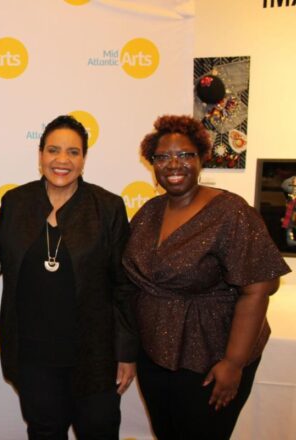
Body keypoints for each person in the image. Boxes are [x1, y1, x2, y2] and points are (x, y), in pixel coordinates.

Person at [123, 115, 291, 439]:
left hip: (211, 358)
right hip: (156, 356)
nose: (174, 164)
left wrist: (234, 363)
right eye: (163, 157)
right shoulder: (149, 212)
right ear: (152, 164)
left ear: (202, 158)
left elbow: (257, 290)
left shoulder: (231, 211)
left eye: (185, 154)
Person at [0, 115, 138, 439]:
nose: (62, 160)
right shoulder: (15, 203)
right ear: (40, 154)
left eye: (73, 152)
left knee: (98, 430)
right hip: (34, 358)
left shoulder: (107, 207)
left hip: (95, 356)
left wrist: (126, 352)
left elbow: (124, 285)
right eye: (53, 150)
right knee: (44, 432)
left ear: (84, 159)